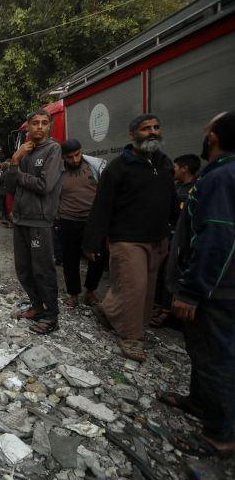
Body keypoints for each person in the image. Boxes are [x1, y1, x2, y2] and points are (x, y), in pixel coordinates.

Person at [163, 111, 235, 458]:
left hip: (216, 292)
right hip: (215, 288)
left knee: (216, 358)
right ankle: (199, 402)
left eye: (207, 130)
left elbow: (217, 238)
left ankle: (219, 436)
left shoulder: (221, 178)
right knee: (201, 352)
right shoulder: (219, 173)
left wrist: (192, 289)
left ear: (213, 138)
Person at [82, 113, 177, 361]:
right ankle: (132, 336)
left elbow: (171, 199)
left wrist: (175, 228)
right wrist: (92, 242)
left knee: (145, 289)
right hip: (127, 239)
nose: (153, 132)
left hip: (157, 238)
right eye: (146, 128)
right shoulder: (118, 167)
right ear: (132, 135)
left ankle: (108, 311)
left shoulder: (164, 163)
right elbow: (102, 206)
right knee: (134, 288)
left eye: (156, 127)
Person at [7, 109, 64, 334]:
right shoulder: (25, 151)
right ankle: (36, 306)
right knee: (23, 269)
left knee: (42, 269)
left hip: (40, 220)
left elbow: (44, 185)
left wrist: (18, 174)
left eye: (44, 123)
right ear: (28, 127)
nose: (39, 127)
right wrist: (14, 160)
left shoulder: (53, 149)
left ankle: (52, 316)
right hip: (21, 219)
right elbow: (9, 188)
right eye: (35, 124)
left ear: (49, 125)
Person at [151, 153, 202, 328]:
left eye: (176, 167)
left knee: (172, 275)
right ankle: (157, 306)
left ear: (185, 168)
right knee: (160, 272)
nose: (174, 170)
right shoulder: (176, 187)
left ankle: (167, 312)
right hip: (168, 236)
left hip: (183, 241)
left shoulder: (197, 189)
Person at [57, 139, 108, 308]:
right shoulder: (57, 171)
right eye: (70, 157)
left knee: (98, 259)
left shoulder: (95, 166)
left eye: (77, 155)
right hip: (68, 222)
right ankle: (73, 295)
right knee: (70, 260)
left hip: (93, 222)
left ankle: (90, 292)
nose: (75, 160)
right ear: (63, 157)